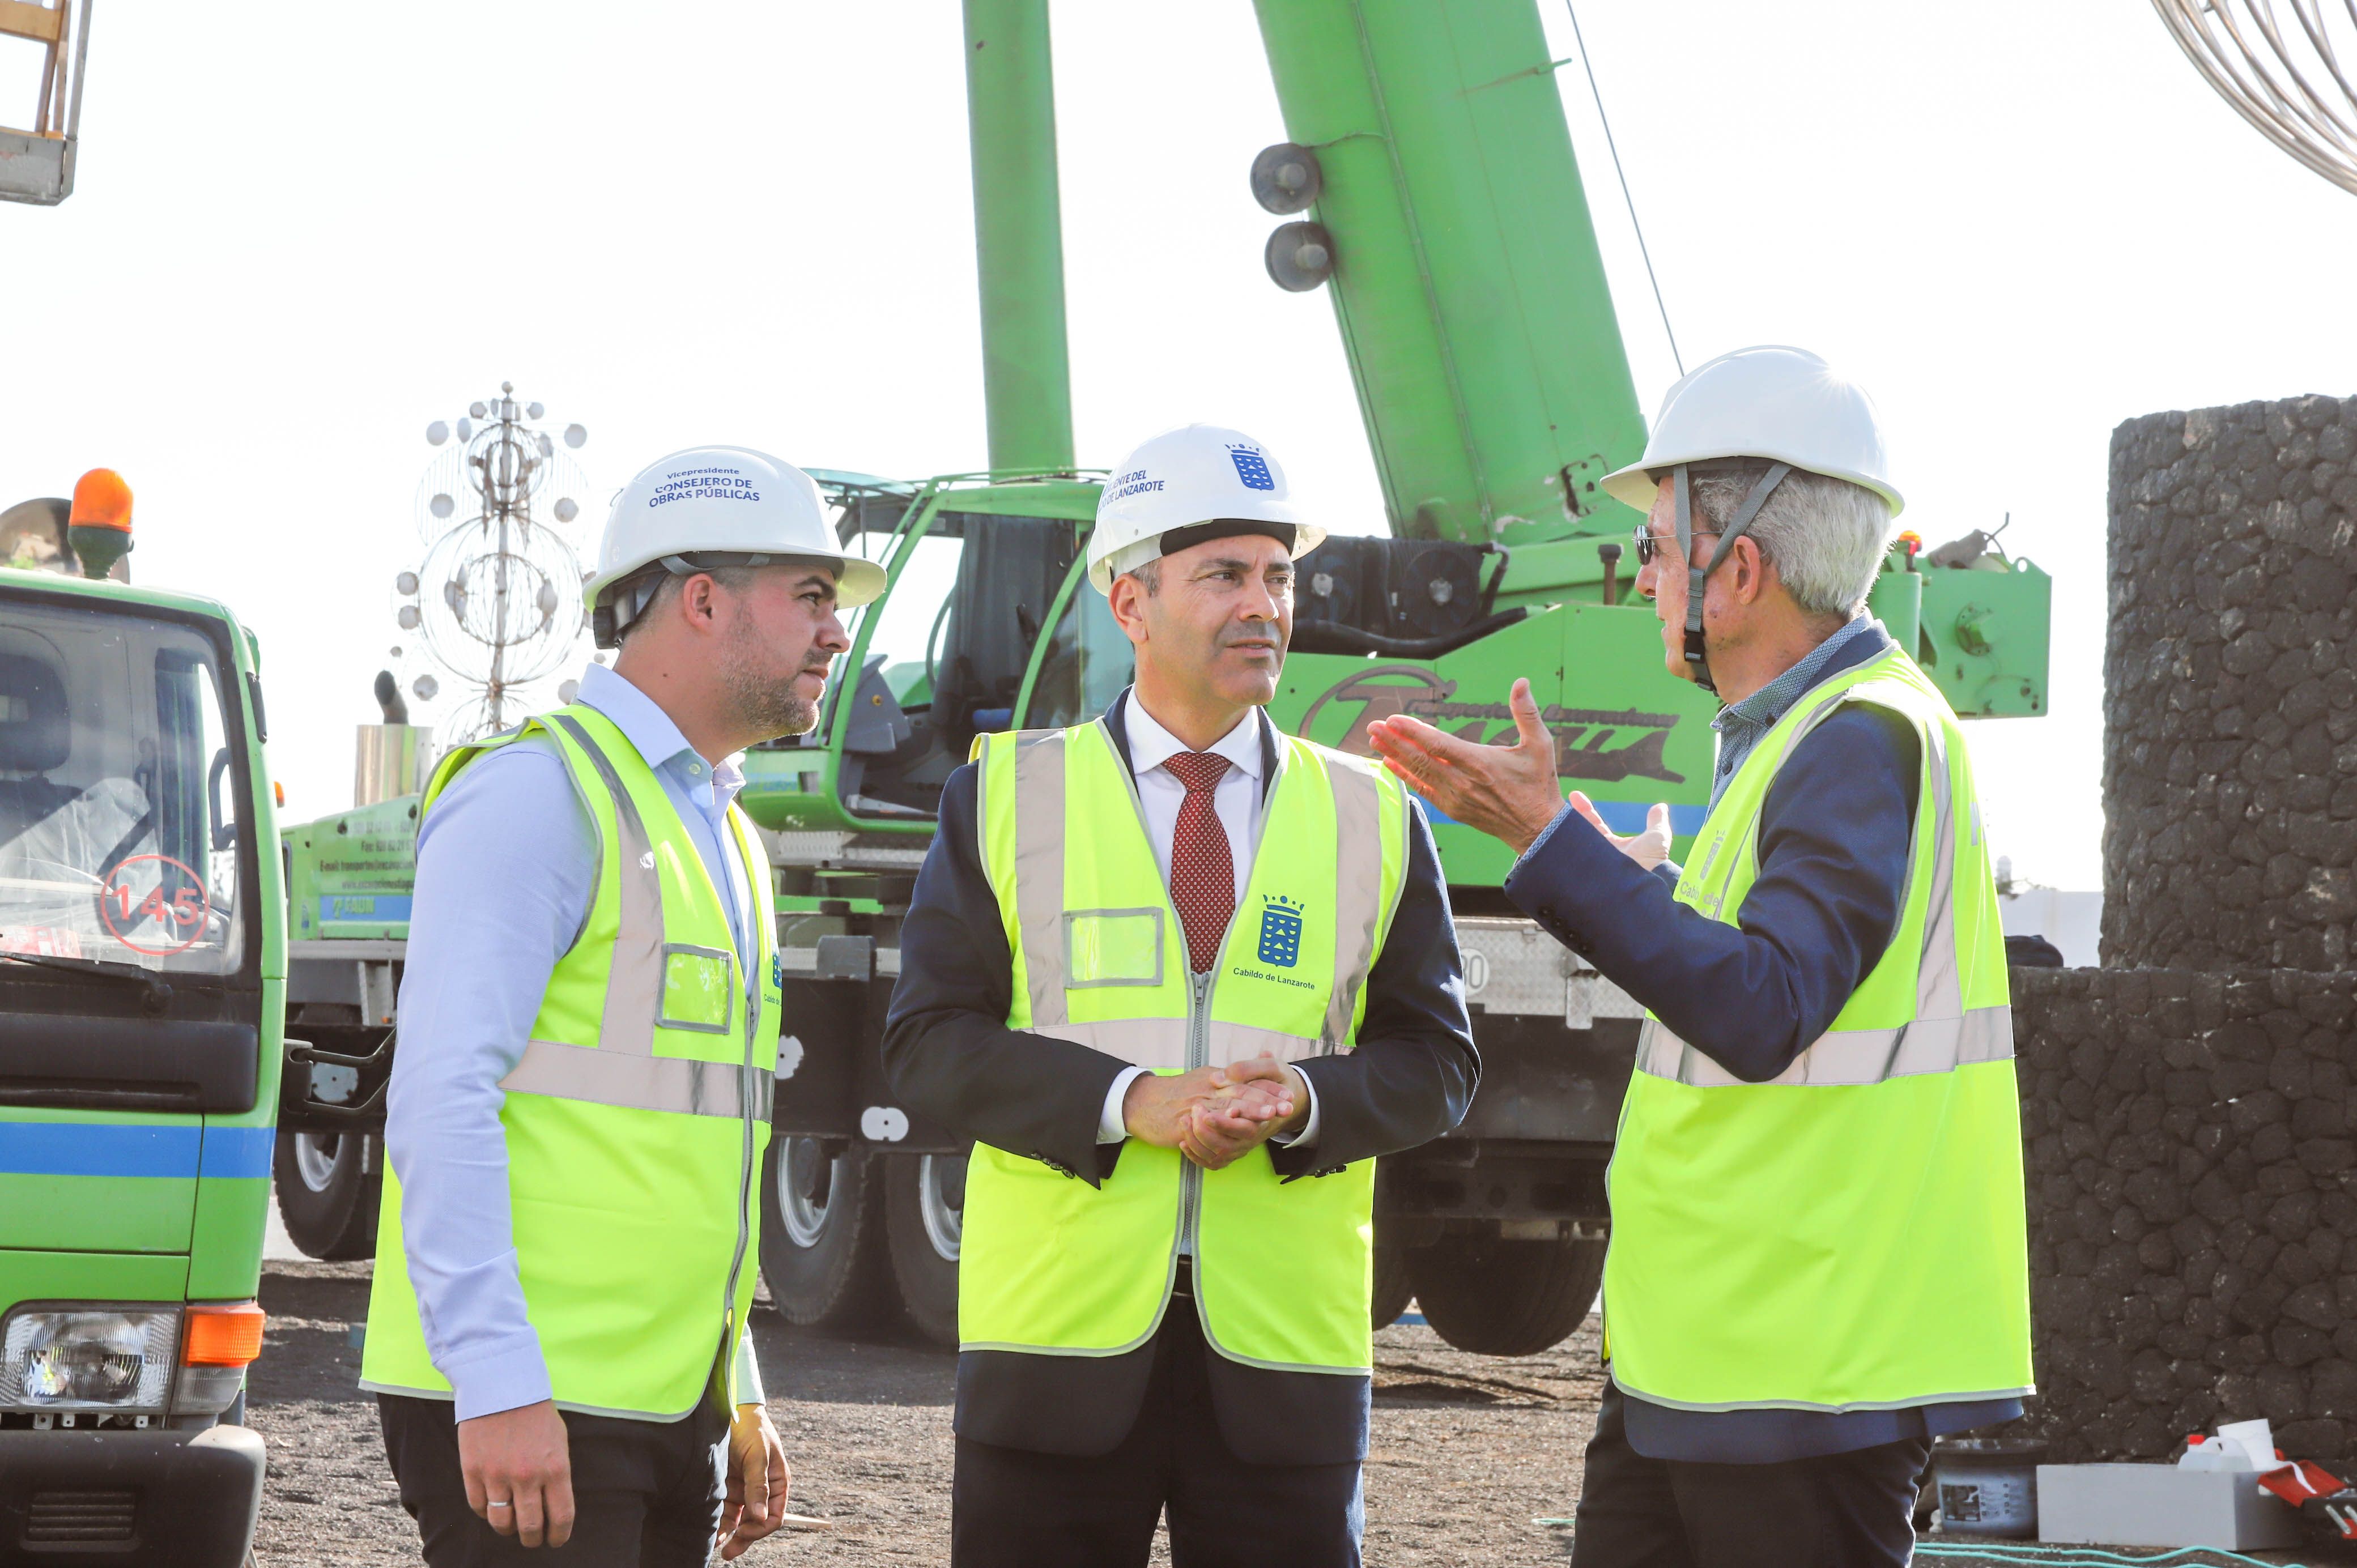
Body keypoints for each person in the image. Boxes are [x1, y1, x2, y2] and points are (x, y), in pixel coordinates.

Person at [1365, 346, 2032, 1568]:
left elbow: (1765, 1006)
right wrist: (1624, 874)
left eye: (1659, 546)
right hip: (1716, 1357)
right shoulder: (1800, 740)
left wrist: (1553, 846)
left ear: (1741, 570)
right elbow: (1782, 974)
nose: (1641, 569)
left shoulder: (1854, 739)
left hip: (1802, 1368)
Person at [883, 424, 1478, 1568]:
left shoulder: (1373, 812)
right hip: (1052, 1357)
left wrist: (1304, 1099)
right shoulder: (1005, 793)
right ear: (1130, 602)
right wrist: (1131, 1103)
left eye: (1277, 576)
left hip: (1284, 1370)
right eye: (1223, 576)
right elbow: (927, 1046)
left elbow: (1438, 1064)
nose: (1262, 605)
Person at [361, 446, 884, 1565]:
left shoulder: (725, 832)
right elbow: (441, 1101)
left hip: (659, 1404)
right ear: (702, 598)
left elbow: (692, 1152)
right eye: (809, 598)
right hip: (531, 1398)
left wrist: (735, 1386)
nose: (836, 635)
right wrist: (496, 1380)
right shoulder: (534, 793)